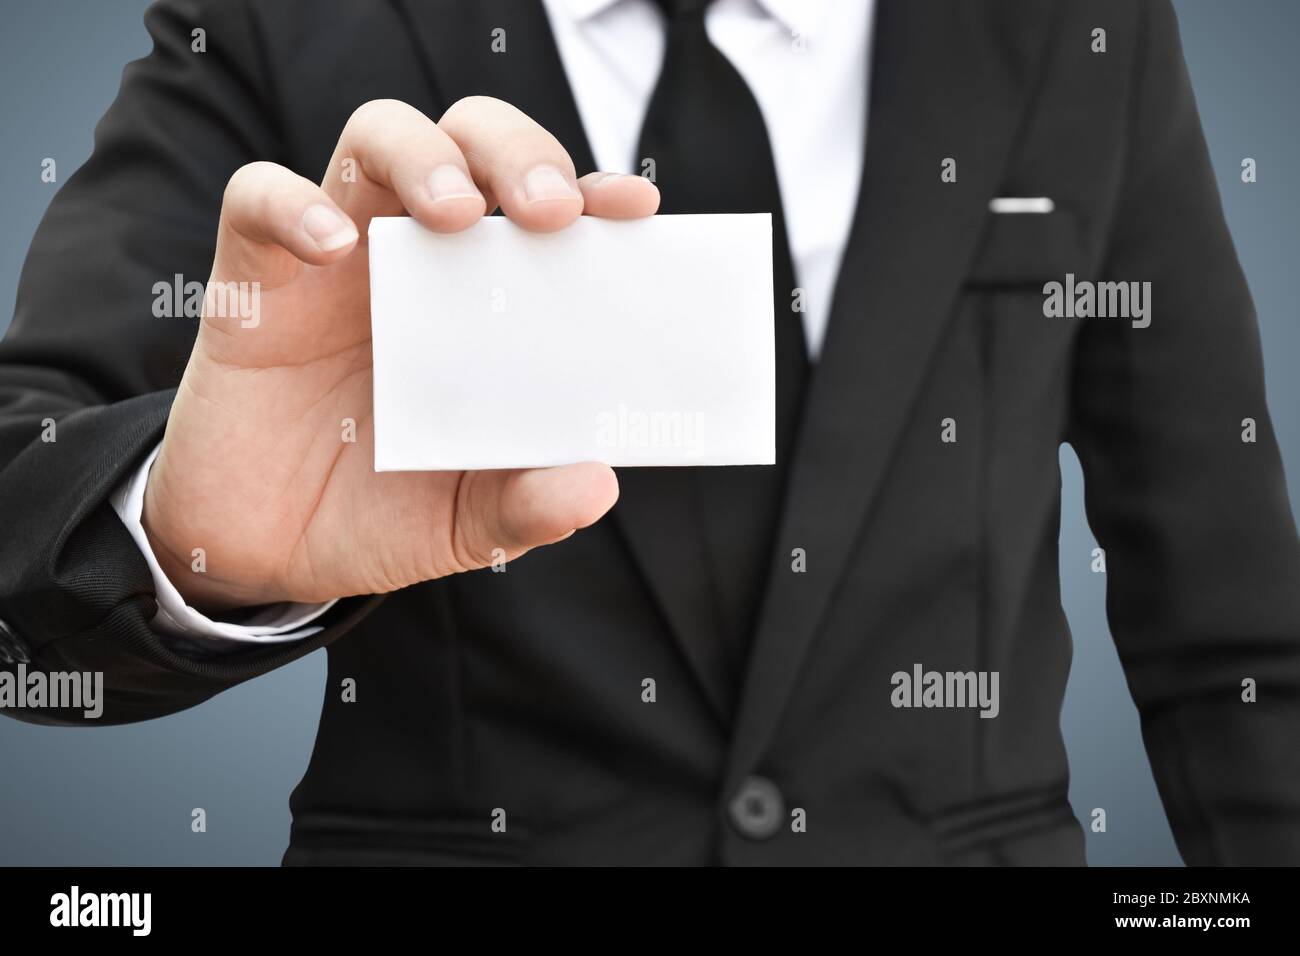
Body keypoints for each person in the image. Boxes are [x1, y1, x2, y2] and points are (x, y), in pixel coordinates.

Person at [2, 0, 1298, 866]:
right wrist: (180, 535)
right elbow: (23, 488)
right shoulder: (276, 21)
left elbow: (1231, 627)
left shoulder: (1081, 26)